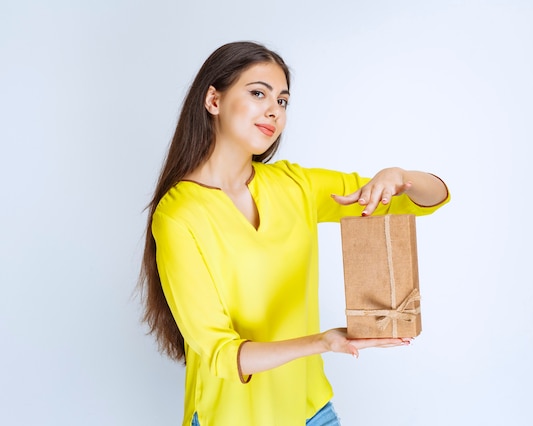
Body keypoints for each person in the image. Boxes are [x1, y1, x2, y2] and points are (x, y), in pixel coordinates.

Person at [139, 41, 449, 426]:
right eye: (258, 93)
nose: (274, 110)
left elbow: (428, 199)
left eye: (282, 101)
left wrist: (400, 177)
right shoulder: (179, 214)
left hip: (310, 411)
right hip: (231, 418)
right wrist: (323, 342)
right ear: (213, 100)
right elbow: (221, 353)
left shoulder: (294, 186)